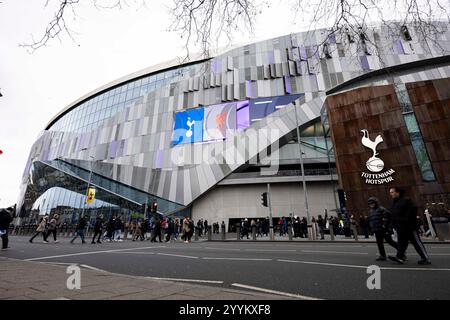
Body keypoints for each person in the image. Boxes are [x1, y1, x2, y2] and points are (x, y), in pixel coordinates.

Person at [388, 187, 431, 265]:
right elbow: (393, 215)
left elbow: (413, 210)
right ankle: (399, 257)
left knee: (416, 242)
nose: (391, 194)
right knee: (401, 243)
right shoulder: (394, 203)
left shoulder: (406, 200)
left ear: (398, 192)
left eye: (392, 192)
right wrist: (393, 224)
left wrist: (406, 220)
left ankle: (425, 258)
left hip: (409, 227)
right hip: (400, 228)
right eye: (390, 192)